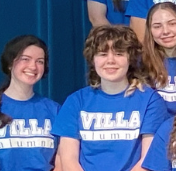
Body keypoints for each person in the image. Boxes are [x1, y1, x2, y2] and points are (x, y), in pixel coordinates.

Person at [53, 25, 168, 171]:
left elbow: (148, 160)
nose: (110, 60)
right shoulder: (76, 101)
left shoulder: (150, 100)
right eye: (102, 54)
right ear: (93, 59)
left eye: (119, 54)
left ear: (130, 58)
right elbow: (68, 160)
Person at [0, 35, 60, 171]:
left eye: (40, 61)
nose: (33, 66)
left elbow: (63, 161)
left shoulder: (55, 110)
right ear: (10, 63)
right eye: (25, 59)